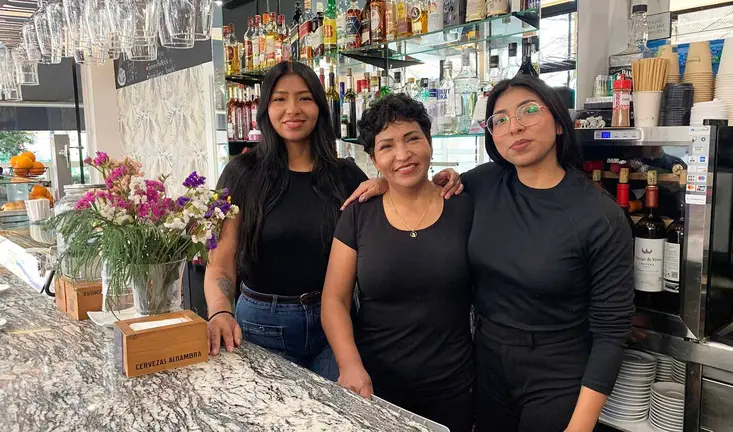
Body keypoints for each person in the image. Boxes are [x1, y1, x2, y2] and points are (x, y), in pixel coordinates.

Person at [343, 75, 634, 431]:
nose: (515, 127)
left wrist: (581, 425)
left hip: (556, 378)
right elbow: (423, 184)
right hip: (487, 369)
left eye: (528, 111)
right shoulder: (483, 183)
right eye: (500, 119)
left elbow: (611, 332)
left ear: (559, 122)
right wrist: (383, 182)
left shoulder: (599, 216)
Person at [204, 61, 462, 381]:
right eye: (280, 99)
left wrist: (395, 182)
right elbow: (219, 263)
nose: (293, 109)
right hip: (263, 324)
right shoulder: (240, 173)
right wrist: (219, 310)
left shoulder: (345, 174)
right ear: (265, 108)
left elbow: (398, 193)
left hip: (335, 329)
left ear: (320, 107)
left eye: (305, 98)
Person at [321, 94, 474, 432]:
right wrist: (349, 365)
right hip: (375, 384)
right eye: (387, 146)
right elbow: (334, 299)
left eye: (412, 139)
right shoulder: (359, 213)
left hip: (453, 384)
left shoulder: (463, 206)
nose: (403, 155)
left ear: (430, 143)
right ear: (374, 159)